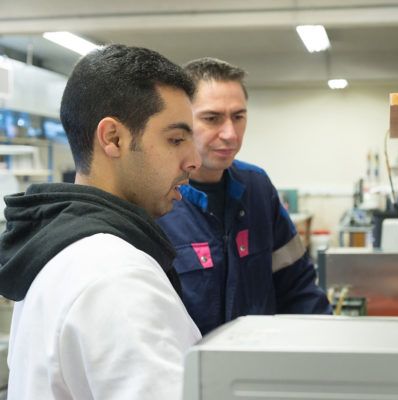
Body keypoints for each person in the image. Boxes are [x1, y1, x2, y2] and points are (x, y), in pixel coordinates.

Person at [0, 44, 202, 400]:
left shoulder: (57, 248)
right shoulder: (117, 276)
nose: (193, 160)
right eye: (175, 139)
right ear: (113, 138)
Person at [157, 57, 332, 335]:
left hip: (256, 367)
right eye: (212, 118)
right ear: (181, 121)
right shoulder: (156, 200)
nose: (230, 134)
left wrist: (326, 347)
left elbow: (298, 287)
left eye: (238, 117)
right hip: (189, 373)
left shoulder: (257, 187)